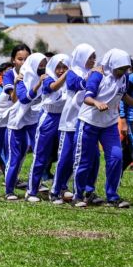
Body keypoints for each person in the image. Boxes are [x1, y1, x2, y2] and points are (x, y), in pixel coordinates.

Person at [73, 49, 132, 208]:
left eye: (125, 68)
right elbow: (87, 97)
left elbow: (123, 95)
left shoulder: (124, 78)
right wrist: (97, 103)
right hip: (89, 123)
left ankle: (112, 196)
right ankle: (79, 195)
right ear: (111, 64)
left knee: (116, 157)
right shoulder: (98, 75)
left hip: (109, 124)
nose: (122, 72)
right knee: (85, 160)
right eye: (120, 68)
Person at [51, 44, 97, 203]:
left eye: (94, 57)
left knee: (87, 158)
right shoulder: (72, 73)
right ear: (81, 57)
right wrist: (94, 78)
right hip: (69, 123)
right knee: (64, 158)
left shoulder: (91, 73)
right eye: (90, 57)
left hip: (85, 123)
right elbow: (77, 84)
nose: (93, 60)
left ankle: (86, 191)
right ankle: (55, 190)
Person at [0, 45, 30, 198]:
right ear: (13, 60)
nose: (23, 62)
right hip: (2, 117)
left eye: (26, 59)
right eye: (20, 59)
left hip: (19, 116)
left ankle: (12, 178)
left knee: (23, 148)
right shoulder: (9, 75)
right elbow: (14, 98)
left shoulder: (32, 74)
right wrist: (17, 83)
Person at [25, 54, 69, 202]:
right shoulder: (47, 78)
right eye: (59, 67)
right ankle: (31, 191)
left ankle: (59, 189)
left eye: (65, 67)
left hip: (64, 118)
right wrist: (68, 74)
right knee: (41, 156)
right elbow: (52, 87)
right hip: (49, 118)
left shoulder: (71, 80)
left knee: (64, 156)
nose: (62, 70)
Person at [4, 53, 47, 201]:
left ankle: (32, 189)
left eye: (44, 65)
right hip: (17, 121)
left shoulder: (44, 77)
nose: (42, 68)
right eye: (40, 64)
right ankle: (9, 190)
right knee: (16, 157)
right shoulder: (22, 78)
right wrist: (38, 85)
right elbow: (23, 98)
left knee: (40, 154)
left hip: (33, 120)